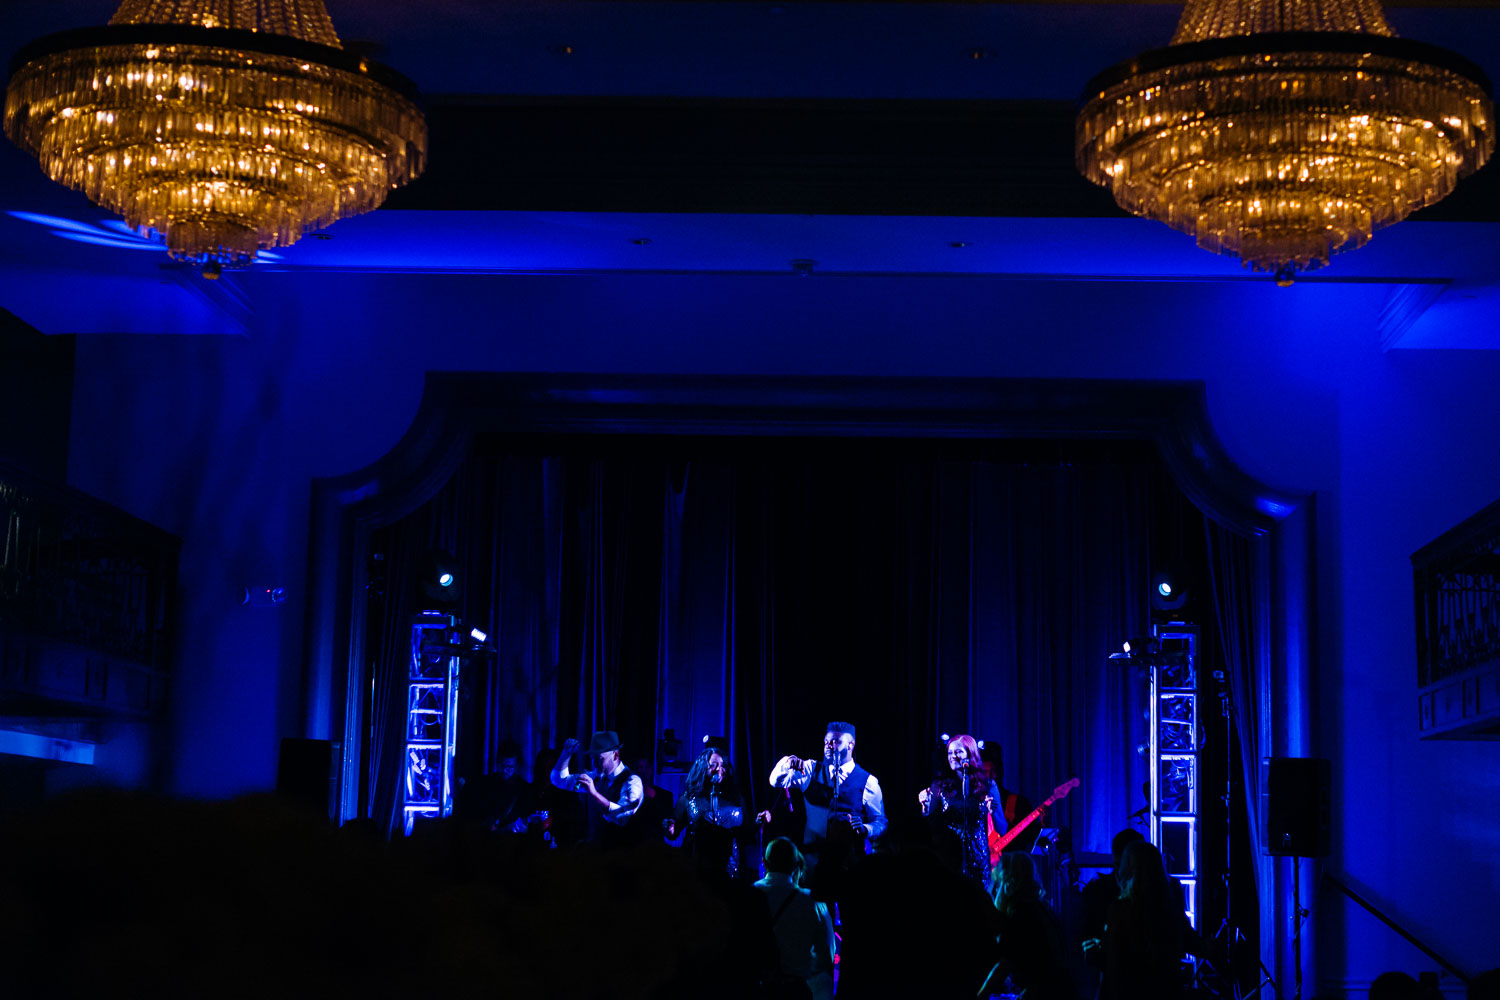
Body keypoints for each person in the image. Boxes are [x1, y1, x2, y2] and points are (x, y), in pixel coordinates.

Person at [769, 721, 888, 900]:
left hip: (849, 864)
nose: (828, 746)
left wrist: (866, 828)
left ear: (851, 745)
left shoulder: (868, 781)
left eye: (835, 742)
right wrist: (787, 763)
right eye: (826, 741)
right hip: (813, 863)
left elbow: (881, 821)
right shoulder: (810, 769)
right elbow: (775, 781)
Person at [1084, 840, 1187, 1000]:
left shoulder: (1121, 909)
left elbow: (1116, 965)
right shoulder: (1168, 906)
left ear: (1127, 869)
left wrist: (1096, 952)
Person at [979, 852, 1081, 1000]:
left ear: (1007, 882)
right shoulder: (1042, 909)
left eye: (999, 882)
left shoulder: (1021, 913)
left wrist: (982, 994)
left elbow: (1005, 963)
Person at [754, 837, 836, 1000]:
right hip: (795, 989)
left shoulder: (749, 895)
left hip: (758, 988)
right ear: (796, 865)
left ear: (765, 862)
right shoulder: (813, 901)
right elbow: (827, 955)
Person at [918, 734, 1003, 890]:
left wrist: (993, 812)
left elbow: (1002, 828)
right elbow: (931, 825)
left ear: (970, 754)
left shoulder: (988, 785)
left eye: (958, 752)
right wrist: (925, 808)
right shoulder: (940, 785)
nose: (953, 756)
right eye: (950, 753)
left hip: (977, 856)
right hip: (947, 854)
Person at [549, 731, 643, 848]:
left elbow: (622, 816)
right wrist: (566, 753)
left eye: (599, 759)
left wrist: (594, 793)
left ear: (615, 755)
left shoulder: (632, 781)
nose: (595, 764)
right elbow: (559, 780)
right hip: (595, 853)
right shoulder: (595, 777)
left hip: (623, 855)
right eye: (593, 759)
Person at [666, 745, 746, 876]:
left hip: (731, 865)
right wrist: (669, 827)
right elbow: (673, 832)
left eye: (723, 765)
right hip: (696, 865)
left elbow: (746, 832)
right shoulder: (688, 798)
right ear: (703, 767)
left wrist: (759, 821)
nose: (719, 769)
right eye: (714, 765)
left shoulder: (736, 799)